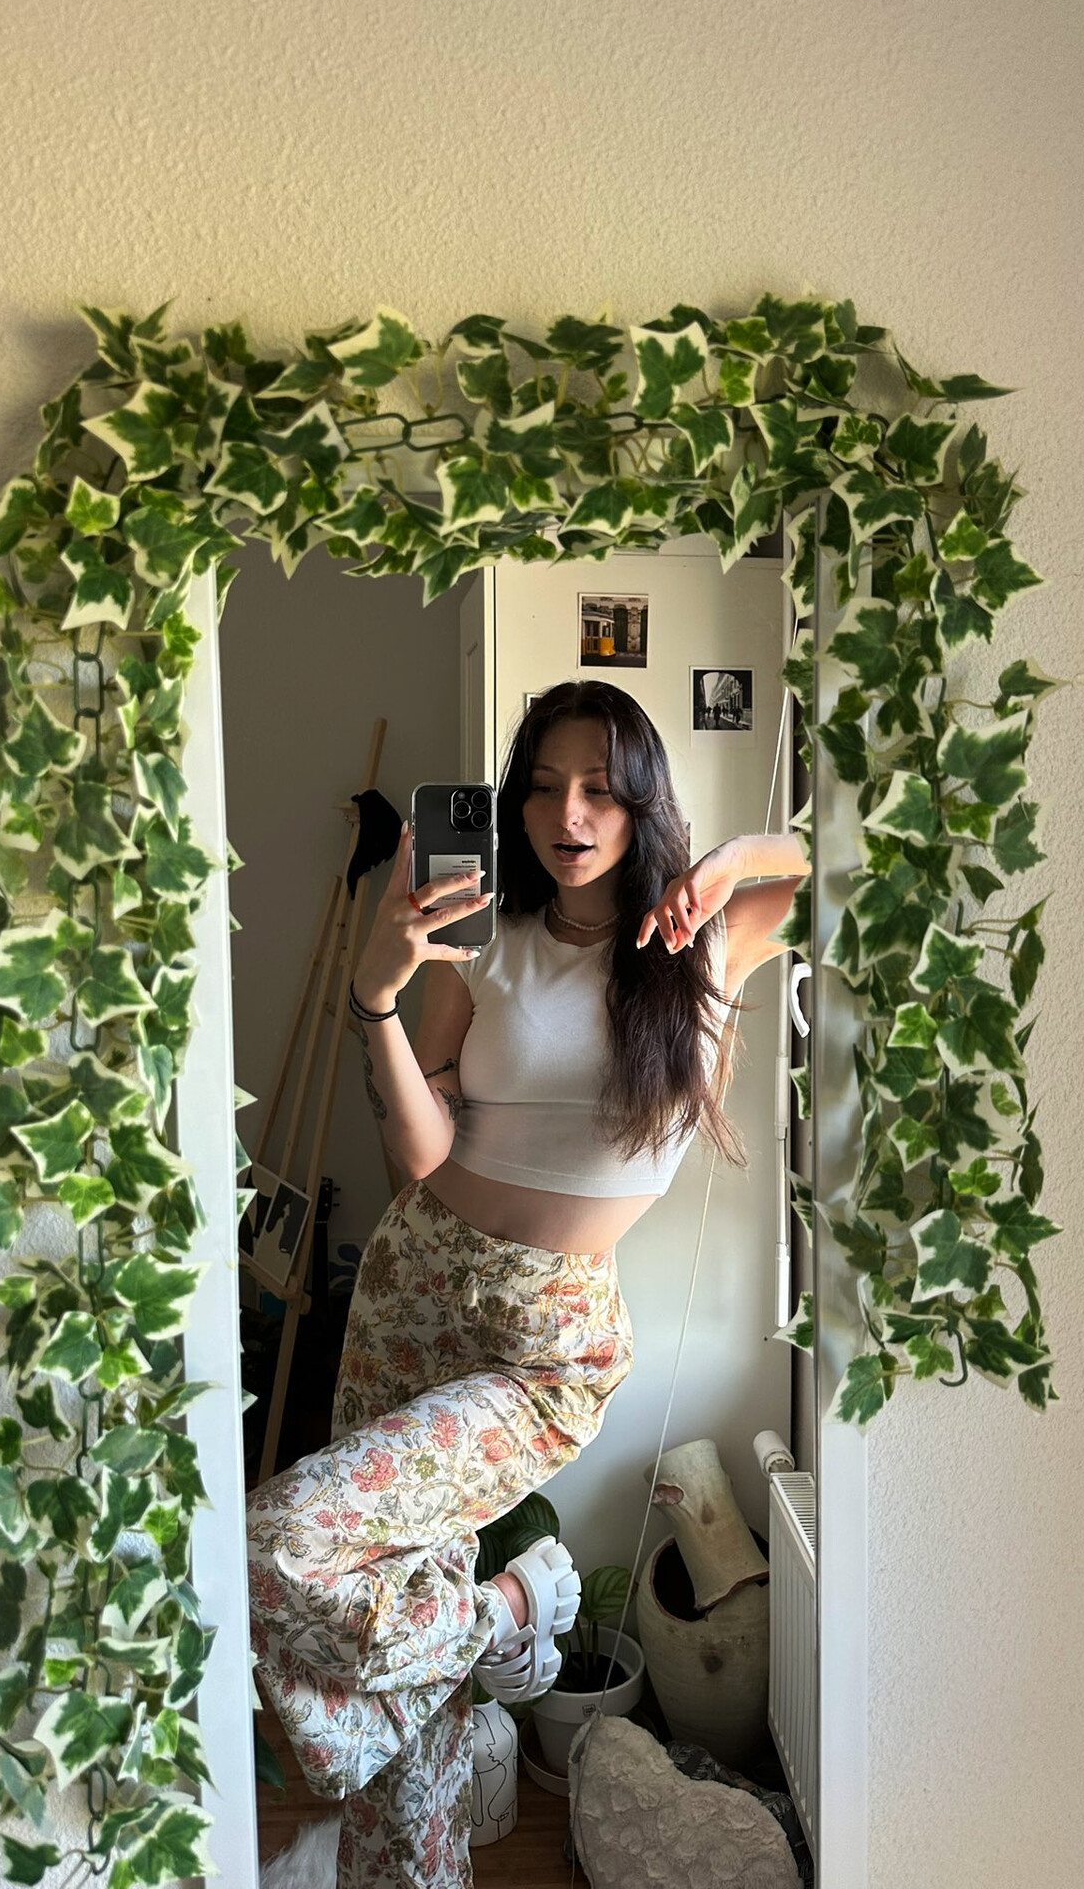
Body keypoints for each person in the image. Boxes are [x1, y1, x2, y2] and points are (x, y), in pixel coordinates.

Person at [246, 679, 809, 1886]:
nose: (568, 814)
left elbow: (829, 870)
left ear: (643, 800)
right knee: (411, 1717)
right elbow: (420, 1156)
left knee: (275, 1544)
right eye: (544, 787)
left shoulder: (704, 947)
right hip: (414, 1292)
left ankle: (510, 1607)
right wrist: (376, 996)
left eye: (600, 787)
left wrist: (726, 865)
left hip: (545, 1342)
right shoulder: (484, 941)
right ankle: (418, 1799)